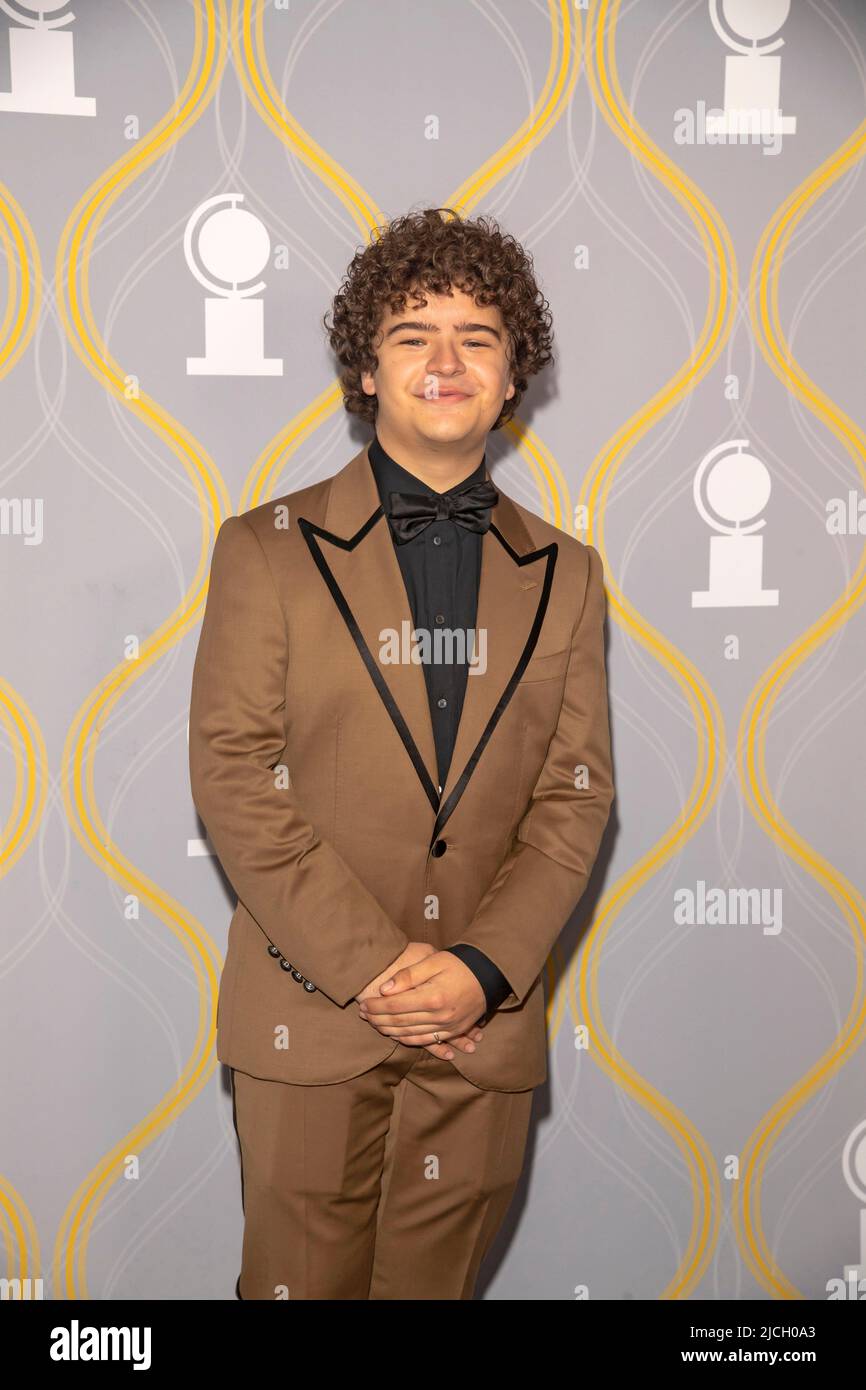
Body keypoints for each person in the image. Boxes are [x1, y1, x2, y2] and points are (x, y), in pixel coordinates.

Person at [188, 206, 615, 1299]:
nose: (444, 359)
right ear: (364, 370)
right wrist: (379, 971)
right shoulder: (262, 550)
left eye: (477, 335)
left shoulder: (567, 574)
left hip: (482, 1030)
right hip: (311, 1011)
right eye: (411, 332)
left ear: (511, 377)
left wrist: (475, 972)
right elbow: (234, 777)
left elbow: (574, 798)